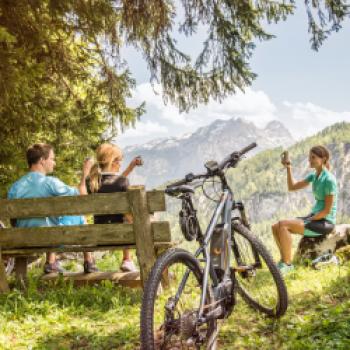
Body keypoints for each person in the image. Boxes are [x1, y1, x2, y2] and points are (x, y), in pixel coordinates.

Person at [7, 143, 98, 274]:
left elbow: (13, 220)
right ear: (42, 160)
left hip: (23, 239)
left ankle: (51, 263)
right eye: (52, 159)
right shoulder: (51, 183)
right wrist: (85, 174)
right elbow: (81, 197)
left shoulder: (15, 187)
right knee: (78, 216)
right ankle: (89, 261)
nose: (54, 163)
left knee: (48, 221)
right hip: (49, 238)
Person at [272, 145, 337, 275]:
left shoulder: (329, 179)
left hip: (325, 221)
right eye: (309, 157)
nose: (310, 160)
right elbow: (292, 187)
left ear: (323, 159)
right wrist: (288, 168)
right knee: (275, 227)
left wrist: (309, 219)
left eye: (313, 157)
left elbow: (327, 210)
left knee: (283, 226)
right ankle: (284, 260)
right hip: (315, 217)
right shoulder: (315, 176)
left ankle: (288, 265)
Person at [88, 143, 142, 272]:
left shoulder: (91, 182)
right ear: (113, 162)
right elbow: (117, 183)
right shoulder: (122, 182)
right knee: (128, 217)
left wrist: (130, 167)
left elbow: (111, 182)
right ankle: (127, 260)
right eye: (119, 161)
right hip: (120, 236)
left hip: (99, 235)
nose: (120, 165)